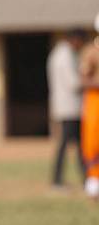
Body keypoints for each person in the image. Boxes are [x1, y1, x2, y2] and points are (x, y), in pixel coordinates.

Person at [47, 29, 87, 187]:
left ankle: (85, 177)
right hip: (69, 108)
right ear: (75, 39)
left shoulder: (64, 54)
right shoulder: (64, 56)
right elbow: (73, 83)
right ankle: (58, 180)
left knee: (77, 145)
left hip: (70, 108)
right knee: (67, 144)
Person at [80, 13, 99, 199]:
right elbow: (84, 80)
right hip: (95, 100)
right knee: (93, 140)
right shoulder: (91, 52)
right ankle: (94, 181)